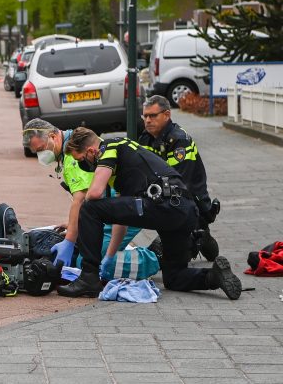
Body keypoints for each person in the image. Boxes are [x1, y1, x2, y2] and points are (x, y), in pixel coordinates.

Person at [57, 127, 242, 299]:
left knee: (89, 208)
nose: (84, 165)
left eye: (81, 159)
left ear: (90, 151)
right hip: (184, 209)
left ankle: (88, 279)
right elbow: (120, 219)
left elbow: (94, 194)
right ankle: (214, 276)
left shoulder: (109, 147)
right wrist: (110, 257)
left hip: (163, 204)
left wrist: (82, 208)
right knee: (174, 277)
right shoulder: (127, 151)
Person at [22, 119, 158, 277]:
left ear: (53, 136)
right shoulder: (74, 144)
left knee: (90, 262)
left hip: (124, 209)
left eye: (41, 149)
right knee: (86, 257)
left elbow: (81, 199)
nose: (41, 155)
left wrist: (70, 240)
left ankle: (155, 259)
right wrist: (75, 226)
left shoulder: (73, 156)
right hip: (116, 209)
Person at [136, 95, 219, 259]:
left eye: (153, 116)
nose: (147, 120)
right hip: (166, 196)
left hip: (191, 199)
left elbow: (179, 181)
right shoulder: (145, 138)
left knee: (188, 245)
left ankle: (202, 235)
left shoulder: (179, 140)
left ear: (166, 115)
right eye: (145, 116)